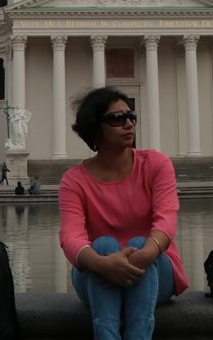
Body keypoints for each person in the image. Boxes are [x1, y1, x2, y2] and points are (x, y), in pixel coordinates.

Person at [59, 87, 187, 340]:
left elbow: (166, 218)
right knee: (103, 245)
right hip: (98, 271)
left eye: (131, 116)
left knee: (139, 243)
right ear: (96, 128)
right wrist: (103, 264)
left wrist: (143, 255)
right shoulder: (73, 181)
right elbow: (71, 236)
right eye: (117, 118)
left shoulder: (156, 164)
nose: (129, 123)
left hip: (155, 268)